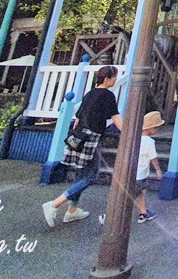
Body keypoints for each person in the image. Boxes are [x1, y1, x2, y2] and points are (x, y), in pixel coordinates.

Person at [42, 65, 123, 227]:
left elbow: (78, 118)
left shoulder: (89, 94)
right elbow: (115, 117)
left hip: (79, 135)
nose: (115, 80)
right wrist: (131, 134)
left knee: (80, 172)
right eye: (114, 77)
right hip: (92, 137)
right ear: (107, 79)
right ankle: (55, 204)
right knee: (91, 175)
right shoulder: (108, 95)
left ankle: (72, 210)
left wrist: (75, 135)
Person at [134, 110, 164, 223]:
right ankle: (107, 217)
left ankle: (143, 212)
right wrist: (158, 170)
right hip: (141, 174)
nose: (156, 130)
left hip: (132, 172)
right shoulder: (150, 142)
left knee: (140, 193)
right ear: (149, 128)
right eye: (155, 127)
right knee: (134, 195)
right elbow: (153, 158)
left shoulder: (136, 139)